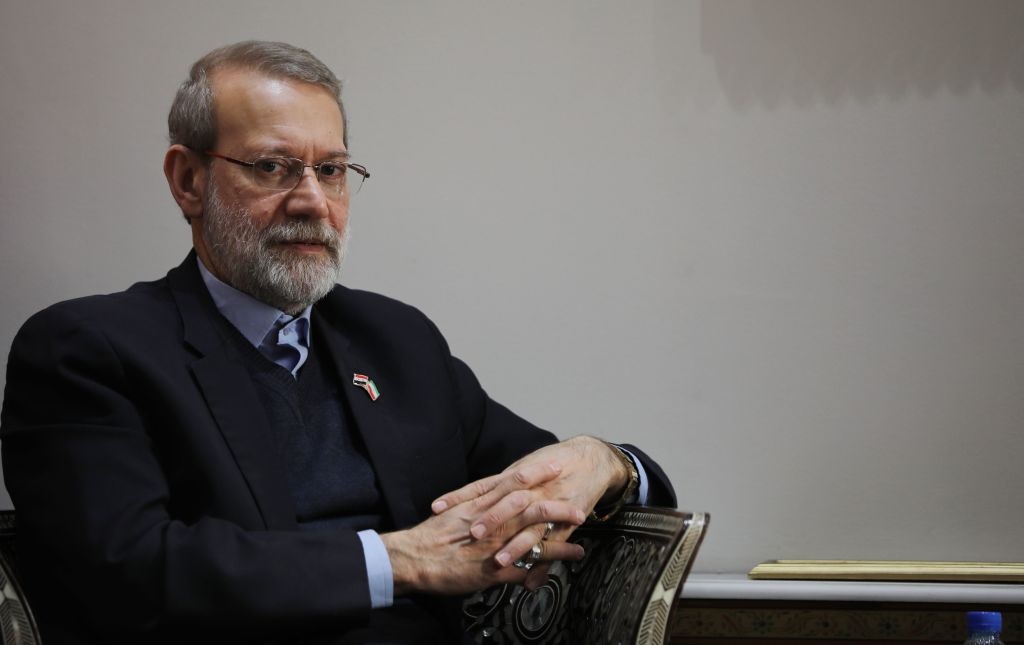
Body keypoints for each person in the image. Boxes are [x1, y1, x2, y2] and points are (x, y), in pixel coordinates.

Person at [0, 41, 675, 644]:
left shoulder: (395, 341)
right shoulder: (88, 349)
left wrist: (608, 462)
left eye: (331, 170)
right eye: (272, 167)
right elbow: (130, 572)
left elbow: (537, 480)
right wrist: (399, 560)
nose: (311, 201)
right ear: (188, 180)